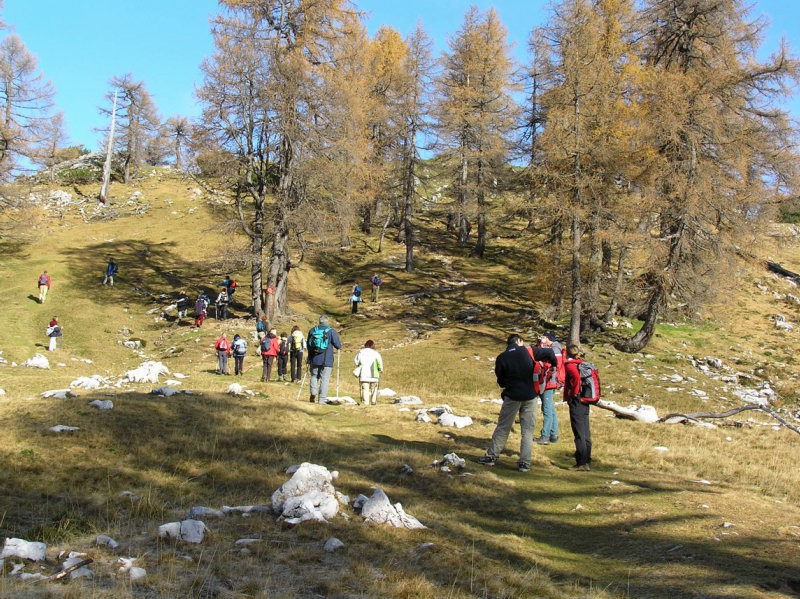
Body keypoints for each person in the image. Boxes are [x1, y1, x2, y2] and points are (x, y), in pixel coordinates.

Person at [477, 334, 537, 473]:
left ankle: (491, 456)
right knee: (527, 431)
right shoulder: (528, 351)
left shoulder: (502, 357)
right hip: (531, 395)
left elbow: (501, 381)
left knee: (503, 427)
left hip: (513, 395)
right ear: (519, 341)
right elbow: (549, 355)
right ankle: (525, 463)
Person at [564, 344, 593, 471]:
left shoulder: (570, 365)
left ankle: (580, 462)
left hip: (577, 400)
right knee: (585, 431)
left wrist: (574, 394)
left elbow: (575, 379)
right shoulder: (582, 363)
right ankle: (587, 461)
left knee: (579, 431)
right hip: (585, 400)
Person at [533, 332, 565, 445]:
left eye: (543, 337)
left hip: (549, 382)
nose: (541, 339)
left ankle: (545, 435)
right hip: (549, 381)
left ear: (548, 338)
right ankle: (553, 434)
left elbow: (553, 365)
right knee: (550, 408)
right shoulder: (552, 348)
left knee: (547, 409)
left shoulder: (555, 349)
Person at [306, 315, 341, 403]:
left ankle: (313, 392)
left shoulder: (313, 330)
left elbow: (308, 345)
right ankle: (321, 399)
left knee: (314, 376)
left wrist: (309, 357)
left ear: (319, 321)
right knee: (324, 379)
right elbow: (338, 345)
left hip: (314, 358)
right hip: (326, 359)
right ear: (327, 321)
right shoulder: (331, 331)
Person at [354, 340, 383, 406]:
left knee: (365, 389)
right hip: (374, 374)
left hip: (364, 374)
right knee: (374, 389)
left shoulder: (361, 352)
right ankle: (373, 402)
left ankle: (365, 402)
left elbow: (356, 361)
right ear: (373, 345)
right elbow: (379, 362)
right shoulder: (376, 353)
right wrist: (380, 369)